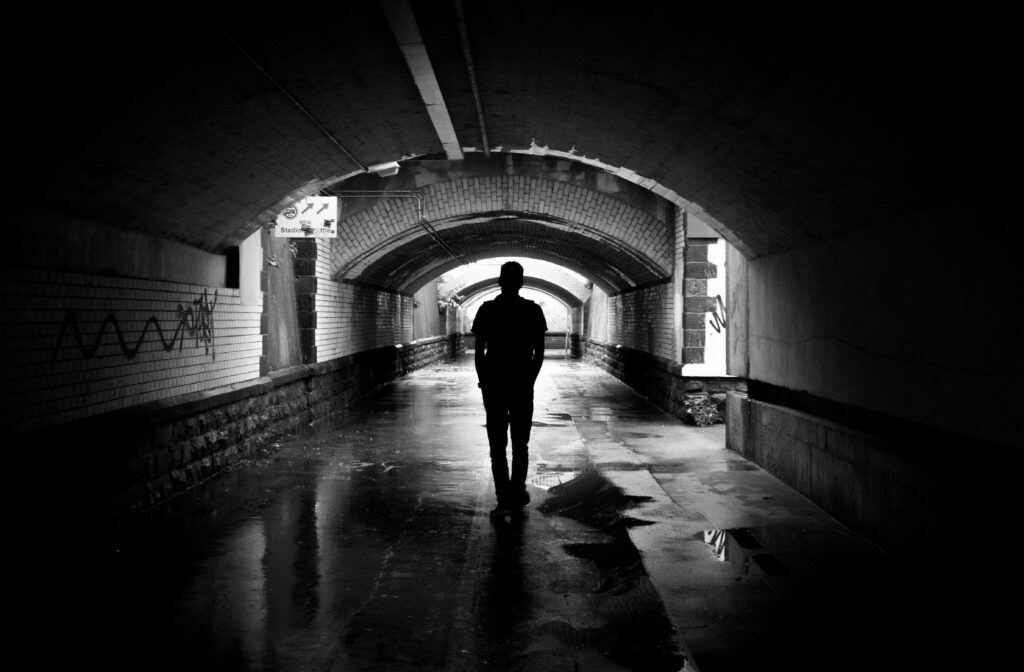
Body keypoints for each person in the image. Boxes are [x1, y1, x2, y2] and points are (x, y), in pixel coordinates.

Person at [471, 261, 547, 517]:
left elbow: (479, 353)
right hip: (522, 383)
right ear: (521, 282)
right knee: (520, 443)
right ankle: (517, 491)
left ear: (500, 281)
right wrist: (530, 380)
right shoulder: (532, 311)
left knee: (497, 445)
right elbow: (539, 353)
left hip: (494, 384)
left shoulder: (487, 310)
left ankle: (503, 497)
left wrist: (483, 382)